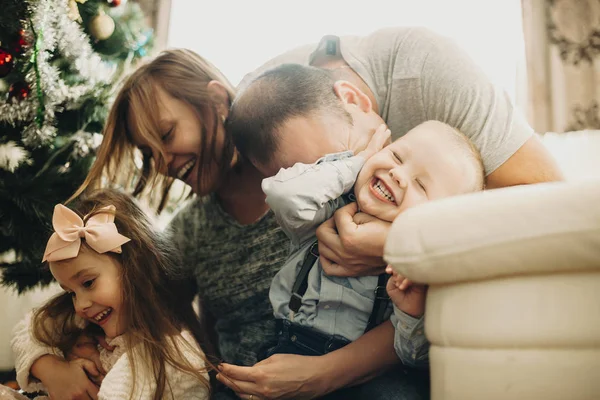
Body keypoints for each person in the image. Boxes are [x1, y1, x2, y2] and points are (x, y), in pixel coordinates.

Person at [31, 22, 562, 399]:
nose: (164, 162)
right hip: (245, 381)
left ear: (219, 102)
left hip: (354, 370)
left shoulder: (334, 179)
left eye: (167, 135)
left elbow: (535, 208)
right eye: (149, 154)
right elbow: (126, 296)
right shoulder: (194, 228)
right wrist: (47, 362)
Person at [223, 63, 484, 397]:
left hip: (367, 374)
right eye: (397, 156)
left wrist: (410, 309)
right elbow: (283, 193)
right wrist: (359, 161)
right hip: (290, 347)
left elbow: (412, 354)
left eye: (420, 184)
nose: (398, 174)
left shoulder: (414, 268)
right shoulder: (326, 210)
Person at [11, 189, 211, 400]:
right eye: (71, 293)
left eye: (88, 283)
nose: (80, 306)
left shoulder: (176, 360)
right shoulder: (81, 319)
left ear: (135, 268)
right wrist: (54, 371)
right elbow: (27, 330)